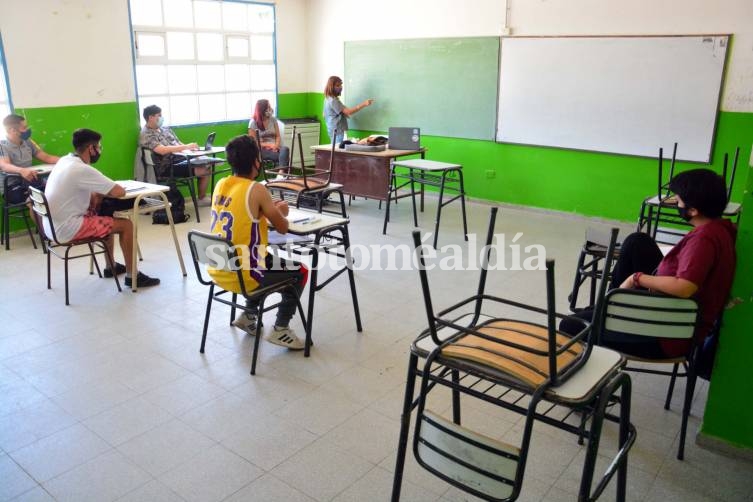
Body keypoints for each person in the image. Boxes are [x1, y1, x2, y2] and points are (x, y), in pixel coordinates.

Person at [561, 168, 736, 361]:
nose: (676, 204)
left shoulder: (704, 239)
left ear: (693, 210)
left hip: (667, 333)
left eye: (678, 201)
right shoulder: (721, 228)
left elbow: (685, 287)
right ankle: (607, 308)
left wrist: (638, 278)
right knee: (637, 242)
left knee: (571, 325)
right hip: (669, 308)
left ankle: (605, 317)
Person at [208, 134, 307, 350]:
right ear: (256, 161)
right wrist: (279, 210)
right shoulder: (257, 189)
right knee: (300, 272)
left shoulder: (221, 184)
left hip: (218, 268)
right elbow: (281, 228)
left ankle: (249, 315)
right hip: (245, 275)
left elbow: (243, 215)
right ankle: (281, 329)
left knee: (265, 259)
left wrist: (262, 213)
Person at [43, 128, 160, 288]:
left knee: (105, 213)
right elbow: (119, 191)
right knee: (126, 225)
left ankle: (110, 267)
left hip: (51, 226)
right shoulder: (82, 169)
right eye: (99, 147)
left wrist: (99, 195)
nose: (100, 150)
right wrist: (102, 194)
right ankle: (133, 277)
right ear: (91, 148)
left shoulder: (65, 160)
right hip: (68, 228)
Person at [138, 105, 212, 206]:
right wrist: (185, 147)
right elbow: (162, 150)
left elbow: (179, 143)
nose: (161, 118)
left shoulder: (166, 129)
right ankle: (201, 198)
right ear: (150, 117)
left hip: (182, 159)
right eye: (159, 115)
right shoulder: (146, 134)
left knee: (207, 163)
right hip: (168, 166)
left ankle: (202, 197)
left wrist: (191, 149)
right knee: (204, 169)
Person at [0, 114, 60, 205]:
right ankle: (43, 219)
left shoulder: (28, 142)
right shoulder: (2, 145)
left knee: (56, 191)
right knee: (36, 199)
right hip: (12, 187)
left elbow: (46, 157)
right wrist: (21, 171)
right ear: (12, 130)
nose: (28, 130)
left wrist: (68, 160)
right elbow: (4, 165)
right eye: (24, 127)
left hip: (30, 181)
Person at [323, 76, 374, 144]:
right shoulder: (333, 101)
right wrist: (364, 104)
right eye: (338, 85)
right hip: (337, 131)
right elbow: (348, 112)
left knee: (335, 150)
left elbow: (324, 114)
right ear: (331, 86)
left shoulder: (327, 98)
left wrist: (340, 114)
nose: (340, 87)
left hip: (332, 130)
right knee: (338, 150)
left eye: (341, 85)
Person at [248, 99, 289, 168]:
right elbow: (253, 142)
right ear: (262, 109)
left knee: (285, 149)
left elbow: (278, 136)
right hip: (262, 149)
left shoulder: (273, 119)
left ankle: (280, 172)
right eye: (268, 107)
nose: (270, 109)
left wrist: (275, 146)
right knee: (284, 157)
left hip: (275, 147)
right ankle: (281, 173)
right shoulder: (253, 123)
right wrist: (269, 145)